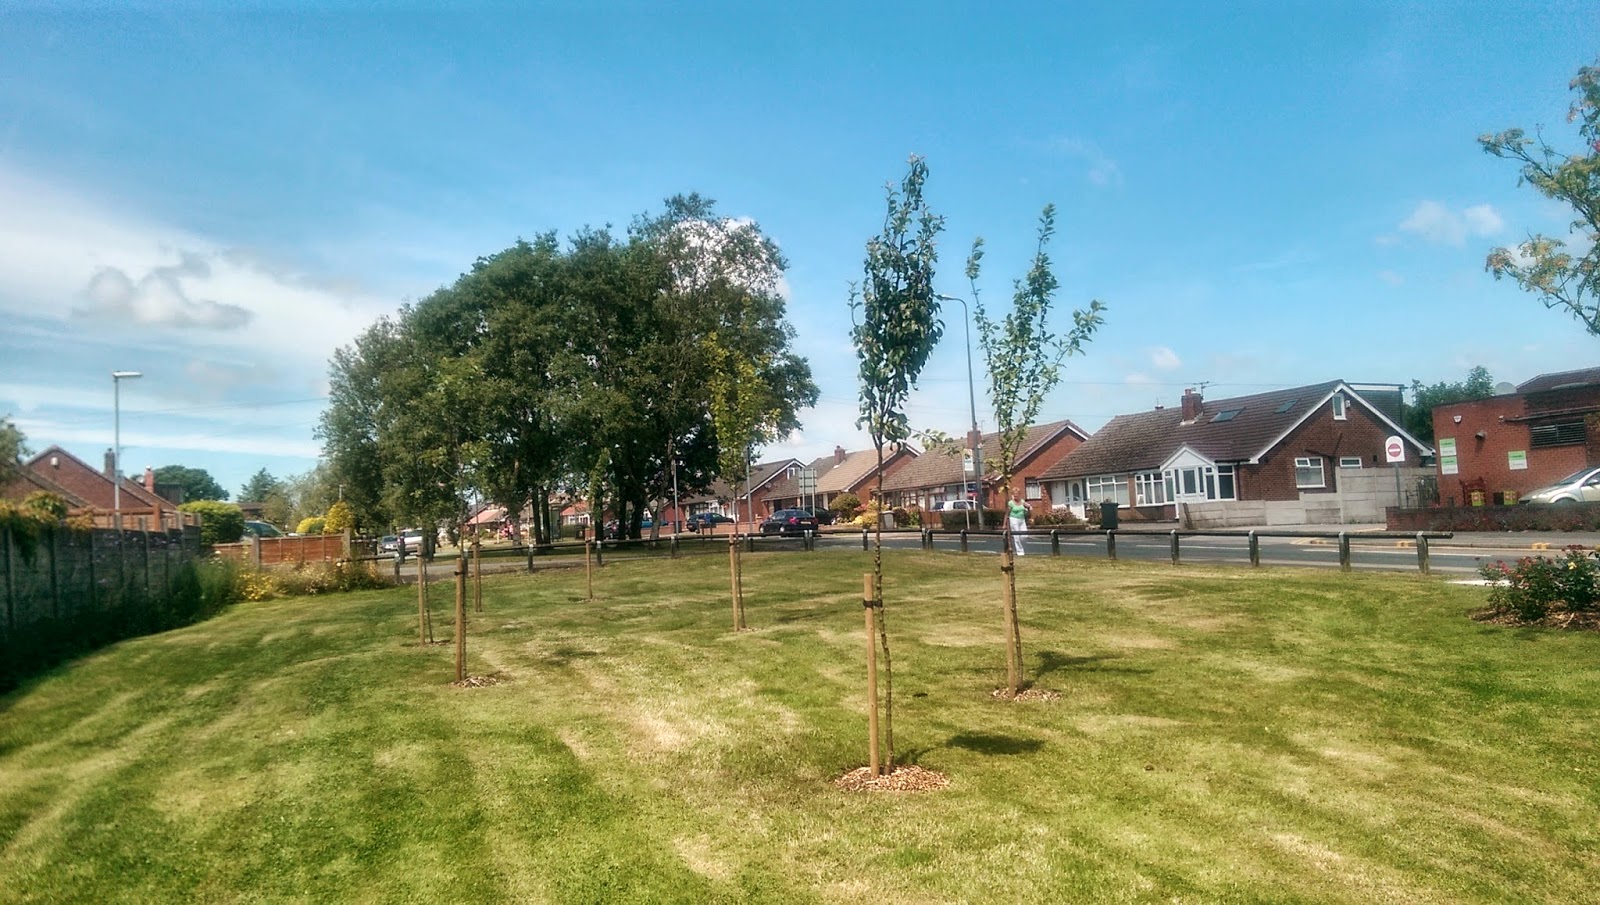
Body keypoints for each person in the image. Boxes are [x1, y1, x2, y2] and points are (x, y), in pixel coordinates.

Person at [1007, 488, 1030, 556]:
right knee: (1016, 536)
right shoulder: (1011, 503)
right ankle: (1020, 552)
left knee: (1024, 535)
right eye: (1014, 494)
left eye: (1017, 494)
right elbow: (1007, 513)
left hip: (1022, 519)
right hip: (1013, 519)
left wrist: (1028, 508)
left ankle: (1020, 547)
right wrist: (1005, 523)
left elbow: (1028, 506)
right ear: (1012, 495)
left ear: (1019, 494)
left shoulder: (1022, 501)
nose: (1016, 495)